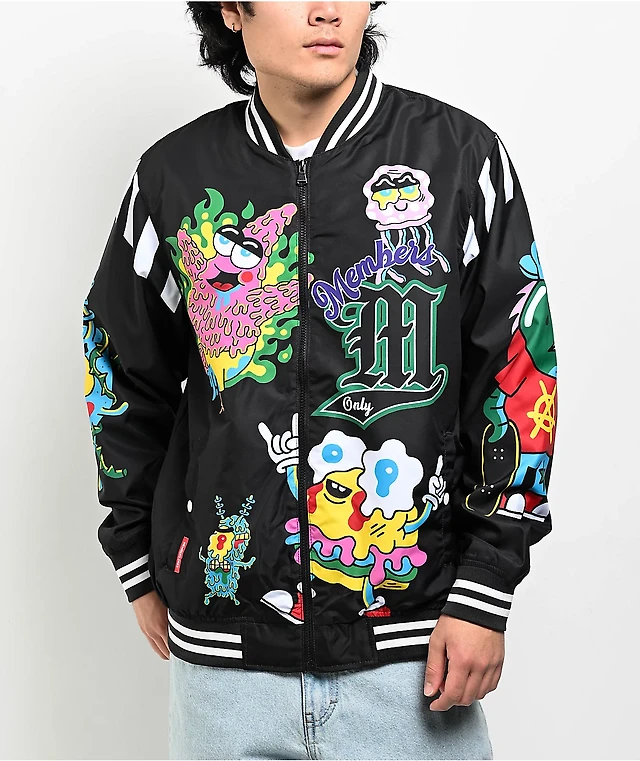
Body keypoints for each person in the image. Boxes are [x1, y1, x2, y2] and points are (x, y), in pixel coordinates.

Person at [81, 2, 559, 758]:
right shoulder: (174, 177)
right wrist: (138, 562)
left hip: (413, 651)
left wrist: (487, 585)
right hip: (226, 663)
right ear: (232, 11)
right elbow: (121, 366)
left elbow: (518, 372)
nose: (328, 10)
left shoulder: (459, 159)